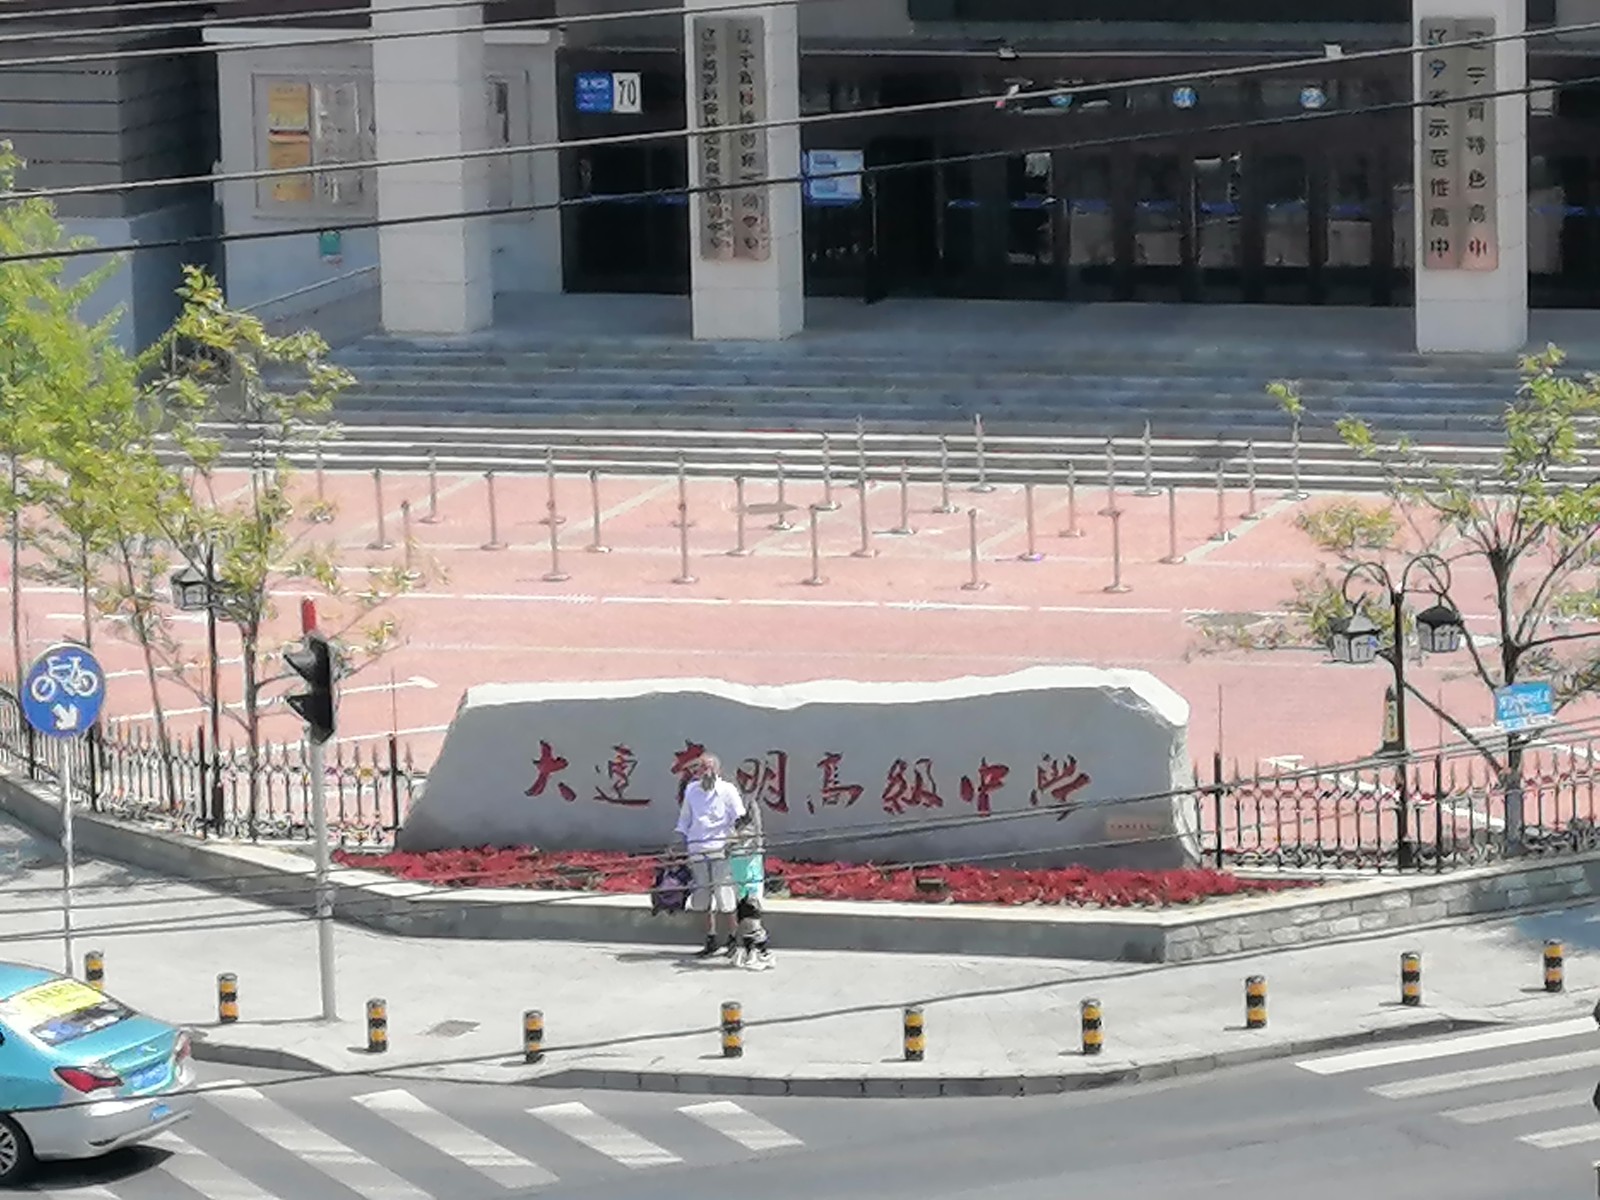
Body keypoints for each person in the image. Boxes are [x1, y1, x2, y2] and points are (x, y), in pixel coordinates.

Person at [674, 753, 746, 959]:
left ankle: (733, 938)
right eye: (702, 768)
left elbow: (740, 817)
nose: (706, 772)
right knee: (702, 897)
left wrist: (735, 838)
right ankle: (710, 938)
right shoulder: (691, 790)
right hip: (697, 849)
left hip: (720, 849)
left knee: (725, 896)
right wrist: (678, 842)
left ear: (718, 770)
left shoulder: (728, 790)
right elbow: (685, 819)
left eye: (709, 768)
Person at [727, 805, 773, 970]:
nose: (742, 833)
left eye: (746, 829)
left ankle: (762, 954)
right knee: (744, 923)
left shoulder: (754, 846)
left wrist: (753, 808)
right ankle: (755, 954)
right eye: (740, 829)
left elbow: (757, 826)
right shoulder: (732, 847)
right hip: (739, 888)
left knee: (752, 923)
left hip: (752, 888)